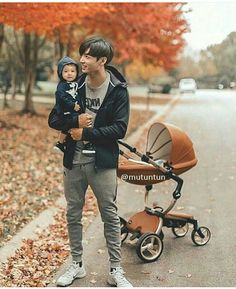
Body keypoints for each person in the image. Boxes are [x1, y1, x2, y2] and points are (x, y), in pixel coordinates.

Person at [48, 36, 132, 287]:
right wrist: (74, 123)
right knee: (73, 213)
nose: (81, 60)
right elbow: (54, 120)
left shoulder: (117, 89)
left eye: (87, 56)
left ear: (102, 61)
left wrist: (87, 133)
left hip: (103, 162)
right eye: (81, 54)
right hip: (73, 160)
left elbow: (120, 129)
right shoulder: (73, 84)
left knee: (109, 214)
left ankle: (116, 270)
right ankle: (77, 264)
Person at [53, 56, 95, 155]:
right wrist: (73, 106)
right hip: (66, 110)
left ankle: (60, 143)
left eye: (72, 71)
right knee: (81, 125)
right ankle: (87, 144)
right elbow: (62, 97)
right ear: (60, 73)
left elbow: (77, 96)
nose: (69, 73)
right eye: (66, 71)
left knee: (69, 127)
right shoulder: (62, 85)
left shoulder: (75, 84)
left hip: (73, 109)